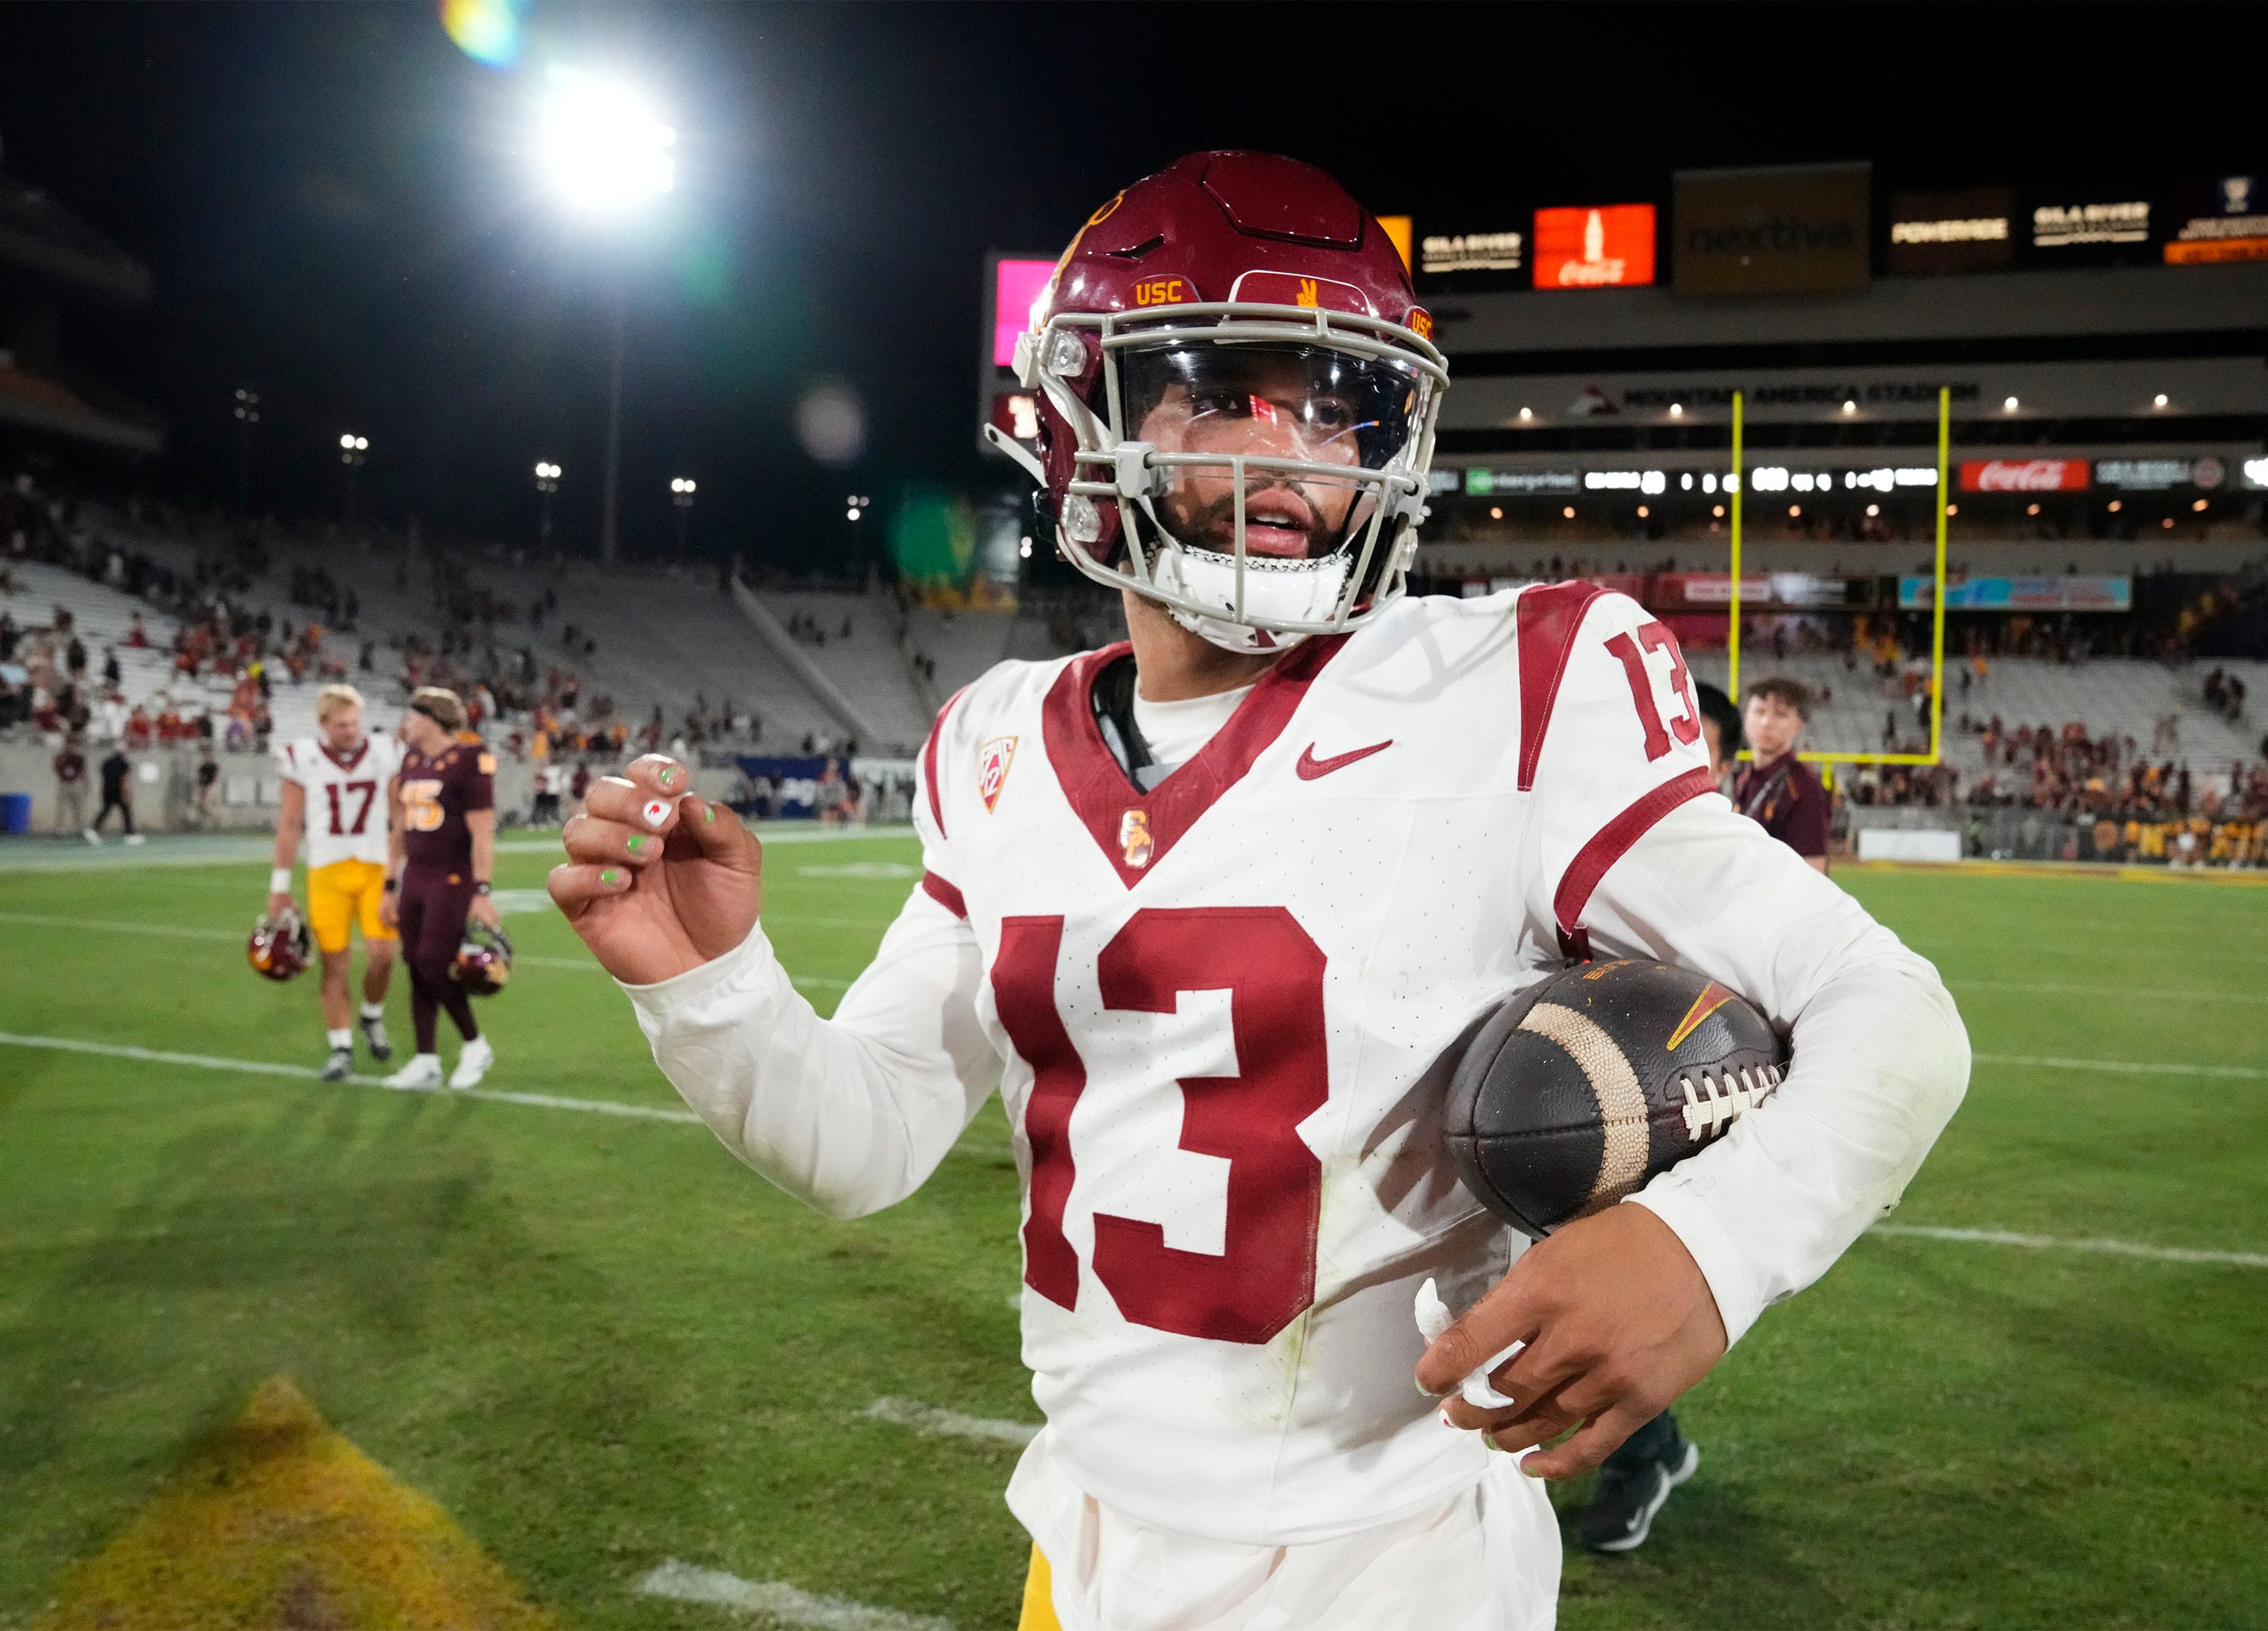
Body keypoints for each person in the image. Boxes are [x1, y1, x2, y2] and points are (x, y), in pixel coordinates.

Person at [548, 153, 1968, 1631]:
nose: (1299, 448)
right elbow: (868, 1134)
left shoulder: (1517, 689)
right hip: (1081, 1541)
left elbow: (1891, 1015)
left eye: (1339, 404)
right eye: (1229, 387)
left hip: (1394, 1569)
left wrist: (1710, 1248)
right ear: (1078, 421)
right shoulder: (988, 744)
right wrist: (706, 986)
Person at [1566, 675, 1748, 1556]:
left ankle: (1644, 1453)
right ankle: (1648, 1448)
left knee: (1612, 1298)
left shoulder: (1734, 856)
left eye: (1698, 747)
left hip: (1670, 1091)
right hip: (1576, 1084)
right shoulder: (1588, 832)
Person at [269, 684, 400, 1081]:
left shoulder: (383, 751)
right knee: (334, 964)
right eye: (341, 724)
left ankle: (371, 1016)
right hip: (326, 871)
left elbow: (401, 818)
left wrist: (400, 871)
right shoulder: (302, 758)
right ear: (323, 724)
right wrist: (279, 886)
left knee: (384, 955)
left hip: (374, 868)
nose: (350, 730)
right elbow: (290, 826)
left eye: (354, 722)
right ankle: (341, 1046)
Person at [381, 686, 497, 1089]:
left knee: (433, 961)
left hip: (451, 875)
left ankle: (474, 1043)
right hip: (415, 874)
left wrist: (482, 890)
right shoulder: (411, 759)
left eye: (412, 717)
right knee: (414, 964)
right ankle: (426, 1058)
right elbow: (399, 826)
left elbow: (482, 831)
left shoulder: (470, 758)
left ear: (431, 718)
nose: (405, 725)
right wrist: (388, 883)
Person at [1737, 678, 1832, 873]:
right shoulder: (1746, 777)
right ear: (1745, 717)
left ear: (1798, 726)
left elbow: (1814, 870)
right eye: (1759, 711)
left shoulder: (1803, 785)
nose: (1766, 722)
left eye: (1780, 715)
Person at [88, 743, 142, 845]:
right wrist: (126, 792)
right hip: (118, 791)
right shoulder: (124, 763)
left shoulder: (106, 762)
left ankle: (93, 829)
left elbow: (103, 775)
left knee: (105, 810)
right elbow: (124, 779)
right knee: (126, 812)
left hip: (107, 790)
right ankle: (130, 835)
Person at [52, 737, 88, 836]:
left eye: (71, 744)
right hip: (64, 783)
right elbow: (56, 769)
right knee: (61, 807)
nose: (69, 746)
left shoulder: (78, 757)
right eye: (68, 744)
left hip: (75, 783)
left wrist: (86, 784)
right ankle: (59, 829)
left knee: (78, 807)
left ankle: (80, 828)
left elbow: (83, 771)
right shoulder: (60, 757)